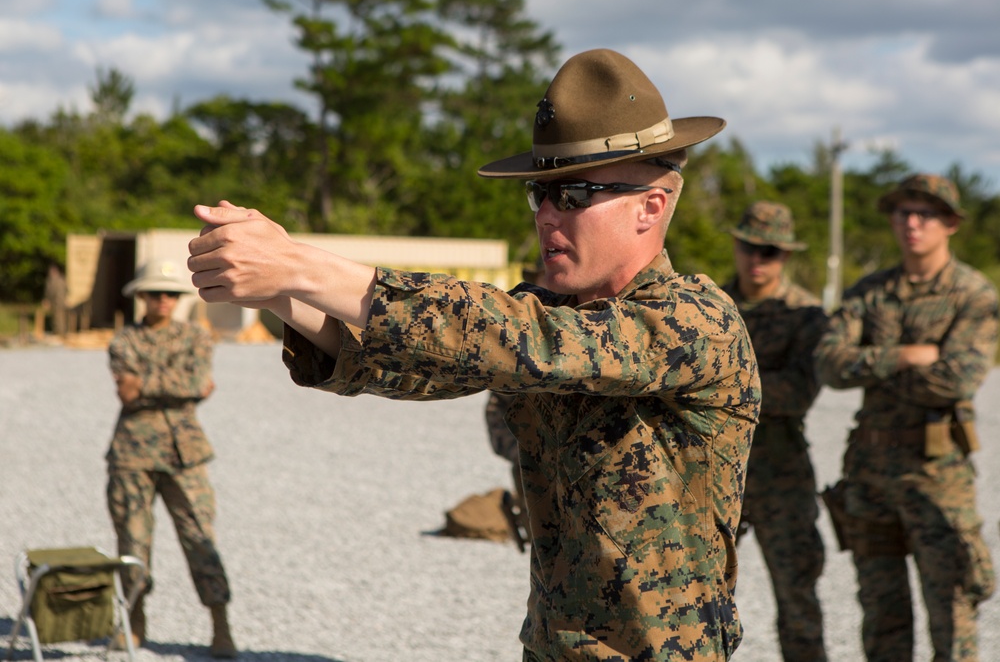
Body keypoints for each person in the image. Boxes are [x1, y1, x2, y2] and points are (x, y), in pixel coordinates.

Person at [187, 48, 760, 661]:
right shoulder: (549, 312)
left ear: (651, 205)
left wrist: (304, 264)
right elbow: (421, 363)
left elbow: (517, 338)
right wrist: (285, 292)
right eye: (539, 193)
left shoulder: (695, 319)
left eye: (573, 193)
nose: (545, 214)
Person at [814, 174, 998, 661]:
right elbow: (830, 364)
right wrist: (904, 356)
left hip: (938, 473)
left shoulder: (972, 294)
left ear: (951, 223)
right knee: (881, 612)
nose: (912, 223)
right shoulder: (869, 293)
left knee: (953, 610)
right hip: (870, 472)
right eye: (902, 212)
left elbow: (957, 379)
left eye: (926, 213)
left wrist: (870, 363)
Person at [106, 259, 237, 658]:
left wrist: (146, 382)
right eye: (154, 293)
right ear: (141, 297)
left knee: (200, 538)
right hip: (132, 454)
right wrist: (180, 384)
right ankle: (134, 620)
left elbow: (198, 384)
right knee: (133, 543)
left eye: (170, 294)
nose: (163, 300)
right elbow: (128, 394)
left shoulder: (197, 336)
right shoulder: (123, 340)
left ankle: (220, 625)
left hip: (186, 453)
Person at [721, 201, 828, 661]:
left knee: (797, 600)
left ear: (785, 255)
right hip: (716, 474)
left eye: (770, 250)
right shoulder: (713, 306)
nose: (757, 259)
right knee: (696, 603)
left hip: (781, 474)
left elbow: (799, 392)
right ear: (737, 245)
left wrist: (721, 383)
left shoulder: (805, 314)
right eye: (750, 247)